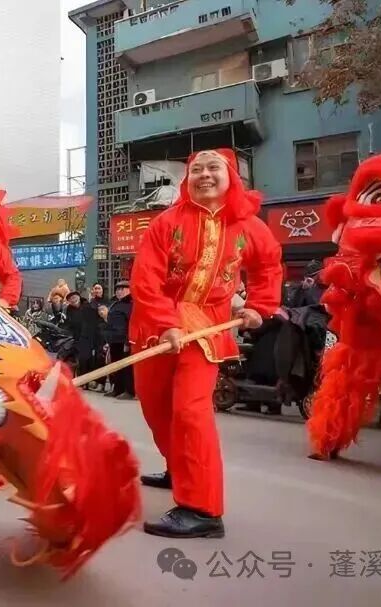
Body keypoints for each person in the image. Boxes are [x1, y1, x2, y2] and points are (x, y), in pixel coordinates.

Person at [129, 148, 283, 539]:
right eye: (196, 169)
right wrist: (166, 322)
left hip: (207, 326)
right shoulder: (166, 222)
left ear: (231, 177)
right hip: (155, 324)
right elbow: (146, 278)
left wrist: (260, 305)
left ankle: (202, 509)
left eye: (214, 168)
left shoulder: (249, 225)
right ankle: (180, 469)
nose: (204, 175)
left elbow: (268, 264)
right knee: (156, 407)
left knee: (191, 411)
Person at [105, 281, 135, 398]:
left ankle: (129, 391)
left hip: (124, 341)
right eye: (117, 289)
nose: (119, 291)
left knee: (127, 367)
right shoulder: (115, 304)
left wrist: (128, 341)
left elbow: (131, 324)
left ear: (129, 290)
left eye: (122, 289)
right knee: (116, 366)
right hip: (114, 340)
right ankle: (117, 389)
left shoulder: (131, 304)